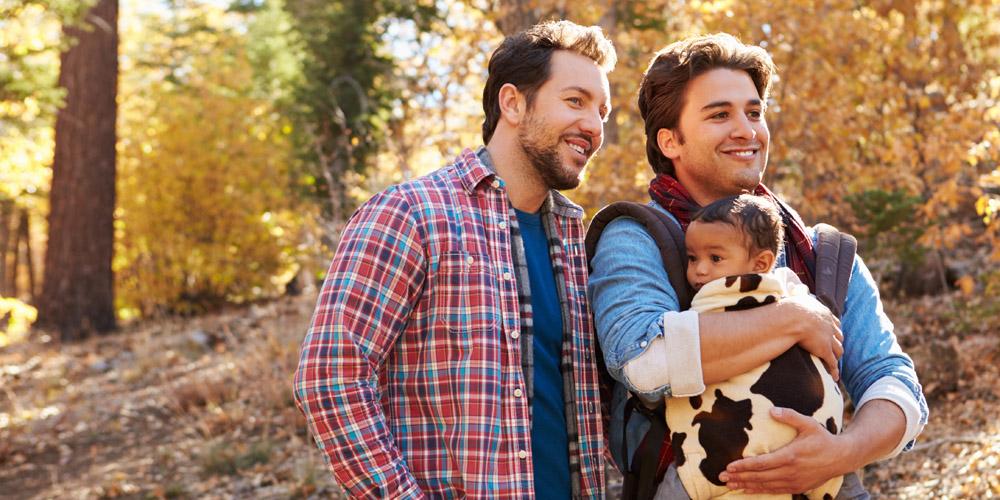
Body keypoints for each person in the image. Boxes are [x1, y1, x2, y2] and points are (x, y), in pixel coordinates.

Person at [588, 33, 927, 499]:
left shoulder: (819, 251)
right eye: (720, 114)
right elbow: (644, 363)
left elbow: (892, 380)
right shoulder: (639, 235)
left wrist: (842, 452)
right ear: (671, 140)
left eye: (754, 111)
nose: (747, 130)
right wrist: (793, 318)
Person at [293, 20, 617, 499]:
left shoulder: (575, 240)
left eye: (602, 111)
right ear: (512, 103)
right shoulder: (410, 213)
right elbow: (330, 376)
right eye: (575, 101)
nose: (593, 125)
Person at [663, 193, 853, 500]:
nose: (699, 270)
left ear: (761, 262)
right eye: (692, 258)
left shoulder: (709, 307)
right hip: (812, 459)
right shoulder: (799, 300)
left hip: (713, 460)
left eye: (715, 258)